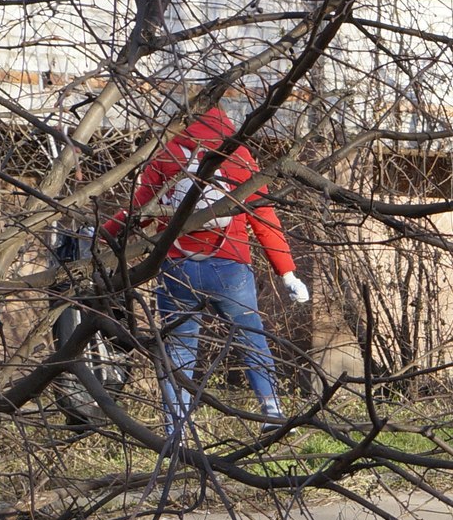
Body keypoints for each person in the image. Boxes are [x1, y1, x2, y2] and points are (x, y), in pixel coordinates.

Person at [108, 105, 311, 431]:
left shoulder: (168, 153)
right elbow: (264, 218)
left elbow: (141, 210)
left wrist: (102, 234)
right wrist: (287, 272)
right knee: (251, 339)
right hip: (230, 267)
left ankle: (176, 428)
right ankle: (271, 412)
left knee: (179, 348)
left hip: (177, 266)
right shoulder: (240, 155)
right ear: (227, 121)